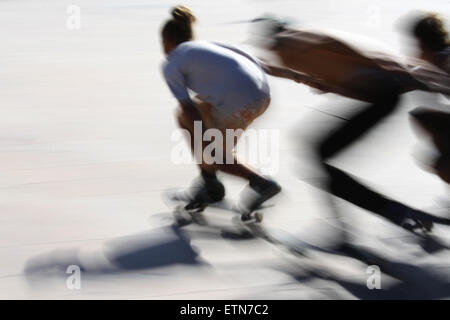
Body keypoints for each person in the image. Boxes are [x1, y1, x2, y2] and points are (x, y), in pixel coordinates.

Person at [253, 18, 450, 227]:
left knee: (317, 153)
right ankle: (387, 212)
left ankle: (385, 213)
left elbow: (367, 58)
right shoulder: (303, 50)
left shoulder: (292, 39)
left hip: (383, 97)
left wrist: (420, 79)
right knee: (318, 154)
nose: (272, 52)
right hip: (383, 98)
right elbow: (374, 64)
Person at [161, 6, 317, 216]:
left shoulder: (171, 64)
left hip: (236, 101)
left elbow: (188, 110)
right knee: (195, 117)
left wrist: (207, 143)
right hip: (262, 97)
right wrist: (300, 76)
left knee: (211, 149)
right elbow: (262, 65)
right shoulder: (210, 46)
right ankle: (209, 181)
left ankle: (260, 183)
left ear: (166, 42)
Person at [407, 13, 450, 184]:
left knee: (423, 116)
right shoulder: (441, 60)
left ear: (422, 43)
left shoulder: (443, 61)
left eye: (416, 45)